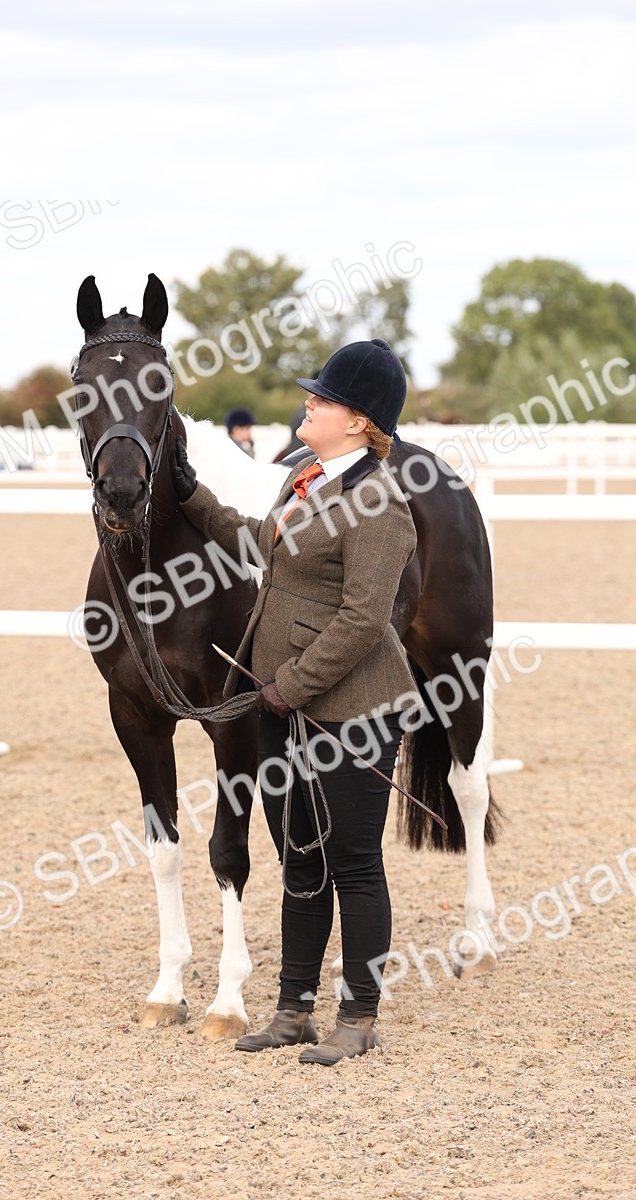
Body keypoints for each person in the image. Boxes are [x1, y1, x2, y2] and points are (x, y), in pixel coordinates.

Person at [172, 340, 419, 1066]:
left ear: (358, 420)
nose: (308, 403)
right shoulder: (305, 479)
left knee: (353, 861)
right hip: (284, 704)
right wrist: (193, 498)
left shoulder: (379, 504)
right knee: (299, 857)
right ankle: (292, 1009)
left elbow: (363, 618)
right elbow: (263, 546)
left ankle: (360, 1017)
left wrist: (288, 686)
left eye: (323, 398)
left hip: (353, 709)